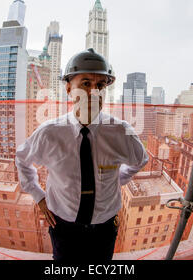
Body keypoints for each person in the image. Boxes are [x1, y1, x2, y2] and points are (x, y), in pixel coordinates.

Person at [15, 48, 149, 261]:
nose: (93, 92)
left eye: (100, 85)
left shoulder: (121, 132)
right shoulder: (50, 133)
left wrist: (117, 180)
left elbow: (140, 160)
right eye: (85, 83)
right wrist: (38, 195)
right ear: (69, 88)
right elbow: (22, 159)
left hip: (104, 229)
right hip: (64, 228)